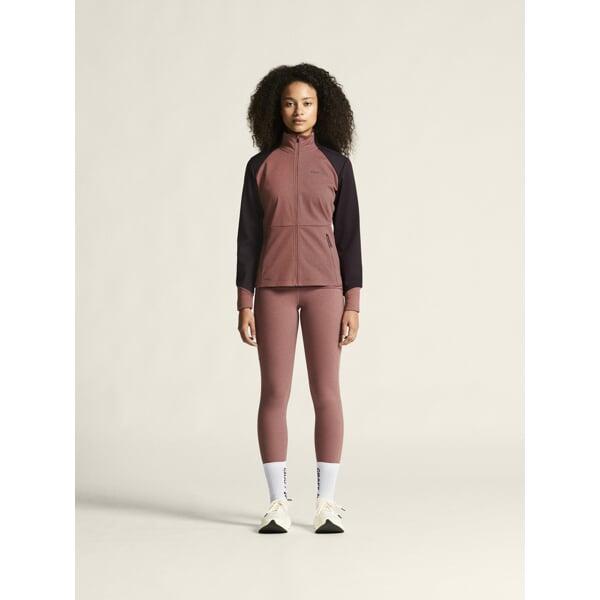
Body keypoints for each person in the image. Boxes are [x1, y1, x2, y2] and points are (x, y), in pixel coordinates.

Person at [235, 63, 363, 533]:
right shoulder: (260, 166)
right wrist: (244, 301)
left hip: (326, 289)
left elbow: (349, 237)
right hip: (272, 290)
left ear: (321, 108)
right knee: (275, 393)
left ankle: (326, 503)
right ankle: (277, 503)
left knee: (326, 393)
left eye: (307, 103)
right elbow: (248, 237)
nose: (299, 111)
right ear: (277, 109)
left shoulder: (337, 165)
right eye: (290, 103)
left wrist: (353, 302)